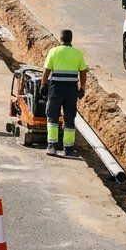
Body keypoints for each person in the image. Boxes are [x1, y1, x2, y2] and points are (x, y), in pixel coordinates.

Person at [40, 29, 88, 157]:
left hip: (56, 89)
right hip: (71, 90)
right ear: (71, 39)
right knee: (69, 118)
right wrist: (82, 88)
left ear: (60, 39)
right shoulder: (78, 53)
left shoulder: (54, 51)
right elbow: (83, 72)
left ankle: (51, 146)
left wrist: (43, 85)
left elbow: (46, 71)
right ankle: (68, 149)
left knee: (52, 117)